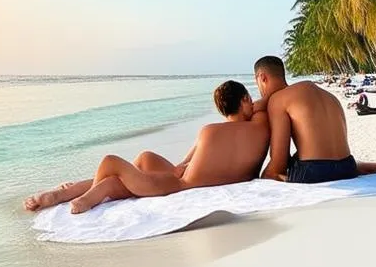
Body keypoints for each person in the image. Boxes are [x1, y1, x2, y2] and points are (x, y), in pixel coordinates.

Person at [23, 80, 269, 214]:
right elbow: (184, 165)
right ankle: (66, 193)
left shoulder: (210, 132)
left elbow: (185, 166)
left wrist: (183, 168)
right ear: (246, 99)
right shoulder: (258, 128)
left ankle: (80, 196)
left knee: (111, 165)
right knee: (139, 162)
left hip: (178, 182)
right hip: (181, 177)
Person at [253, 55, 376, 184]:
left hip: (316, 172)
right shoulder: (326, 95)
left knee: (269, 174)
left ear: (262, 78)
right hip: (347, 166)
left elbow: (279, 162)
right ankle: (358, 166)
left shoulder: (277, 100)